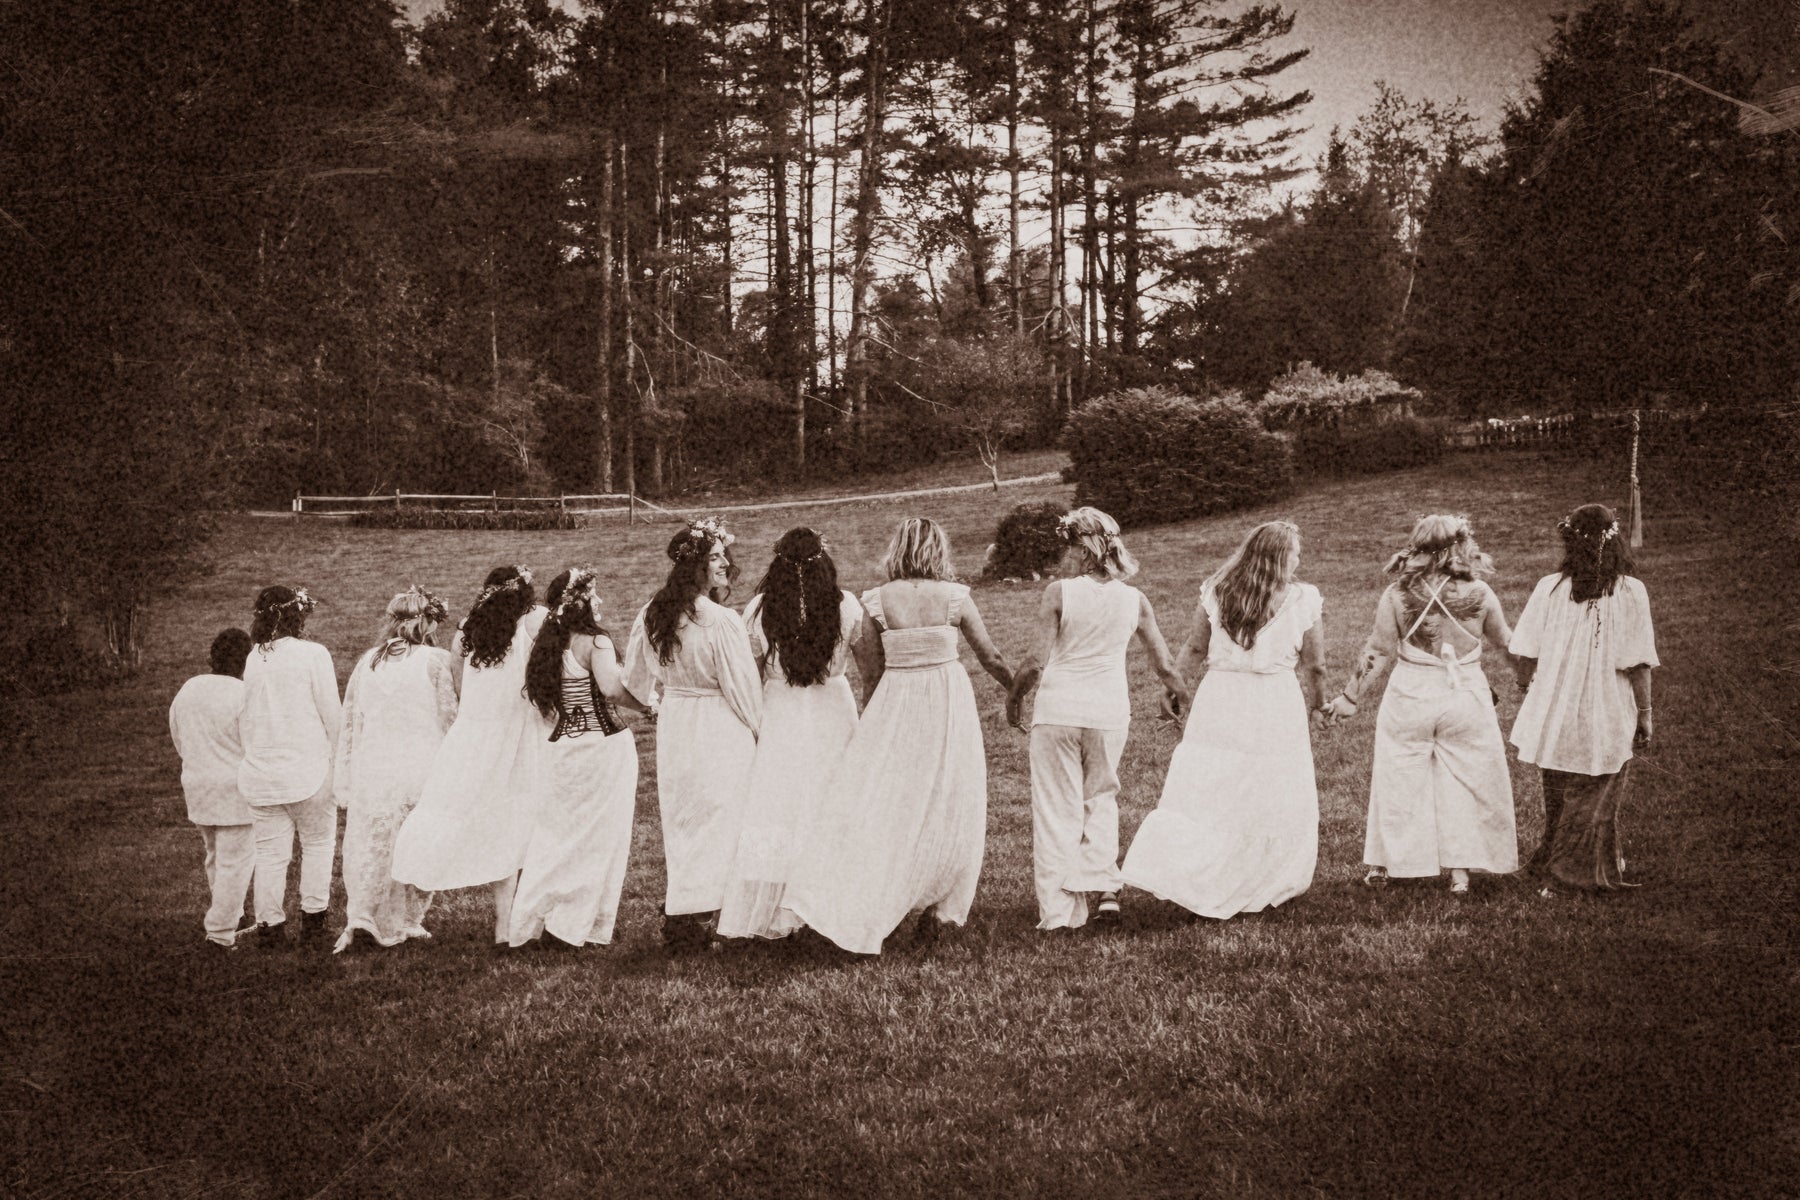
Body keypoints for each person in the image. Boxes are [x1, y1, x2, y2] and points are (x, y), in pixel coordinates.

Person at [779, 517, 1014, 955]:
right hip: (947, 698)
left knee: (893, 798)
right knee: (951, 793)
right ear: (938, 549)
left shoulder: (877, 600)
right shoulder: (956, 596)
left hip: (896, 698)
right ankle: (941, 910)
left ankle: (887, 894)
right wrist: (1016, 692)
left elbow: (872, 672)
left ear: (898, 550)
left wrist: (874, 721)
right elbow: (992, 657)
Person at [1120, 521, 1326, 919]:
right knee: (1271, 786)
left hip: (1221, 698)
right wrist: (1318, 705)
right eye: (1295, 553)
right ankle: (1263, 874)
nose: (1299, 561)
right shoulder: (1303, 599)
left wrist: (1172, 687)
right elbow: (1315, 666)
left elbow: (1195, 648)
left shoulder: (1217, 591)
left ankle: (1213, 871)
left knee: (1215, 785)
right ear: (1278, 557)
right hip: (1275, 701)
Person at [1007, 507, 1185, 930]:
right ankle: (1106, 892)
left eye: (1067, 548)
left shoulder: (1059, 593)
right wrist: (1181, 697)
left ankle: (1060, 914)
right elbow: (1165, 665)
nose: (1064, 557)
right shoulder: (1134, 599)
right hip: (1107, 713)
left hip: (1058, 712)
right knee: (1101, 798)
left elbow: (1034, 663)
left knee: (1056, 809)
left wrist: (1014, 699)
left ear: (1082, 550)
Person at [1323, 515, 1518, 894]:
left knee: (1399, 776)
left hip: (1411, 694)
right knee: (1467, 779)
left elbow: (1378, 649)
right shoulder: (1480, 592)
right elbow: (1506, 643)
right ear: (1461, 545)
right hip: (1465, 695)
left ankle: (1383, 865)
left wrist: (1349, 697)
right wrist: (1527, 679)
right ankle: (1460, 873)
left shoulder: (1397, 594)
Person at [717, 528, 868, 941]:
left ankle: (784, 904)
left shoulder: (758, 608)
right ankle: (829, 903)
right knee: (830, 801)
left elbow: (748, 676)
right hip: (833, 709)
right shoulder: (846, 605)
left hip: (780, 710)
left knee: (780, 806)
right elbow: (872, 671)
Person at [623, 520, 763, 952]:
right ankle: (706, 917)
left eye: (724, 556)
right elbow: (742, 686)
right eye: (715, 557)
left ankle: (687, 915)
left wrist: (655, 705)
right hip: (720, 723)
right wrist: (760, 731)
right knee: (723, 819)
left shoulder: (651, 613)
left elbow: (633, 682)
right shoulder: (721, 619)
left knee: (685, 820)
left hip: (678, 724)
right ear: (695, 566)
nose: (724, 564)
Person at [392, 566, 550, 944]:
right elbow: (547, 676)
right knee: (528, 825)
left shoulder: (466, 630)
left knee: (498, 826)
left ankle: (507, 925)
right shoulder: (535, 621)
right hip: (522, 732)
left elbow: (462, 689)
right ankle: (519, 924)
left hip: (474, 738)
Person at [1508, 503, 1658, 894]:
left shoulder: (1550, 587)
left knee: (1561, 793)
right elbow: (1638, 662)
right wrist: (1645, 712)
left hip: (1555, 707)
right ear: (1615, 539)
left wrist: (1527, 687)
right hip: (1605, 706)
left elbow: (1524, 652)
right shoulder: (1630, 591)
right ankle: (1565, 877)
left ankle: (1565, 864)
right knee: (1593, 793)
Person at [510, 567, 646, 948]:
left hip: (562, 748)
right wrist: (647, 705)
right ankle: (573, 923)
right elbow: (612, 691)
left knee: (557, 834)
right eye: (593, 594)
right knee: (599, 837)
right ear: (580, 601)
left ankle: (540, 919)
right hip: (603, 747)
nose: (599, 600)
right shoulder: (595, 643)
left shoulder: (549, 644)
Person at [332, 586, 456, 953]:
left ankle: (365, 916)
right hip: (421, 766)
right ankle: (405, 919)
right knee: (418, 844)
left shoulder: (369, 661)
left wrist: (348, 771)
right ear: (429, 622)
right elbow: (450, 716)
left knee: (372, 846)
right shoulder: (436, 660)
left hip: (374, 767)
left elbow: (351, 719)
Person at [238, 586, 341, 947]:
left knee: (269, 854)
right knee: (318, 844)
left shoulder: (252, 658)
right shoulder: (313, 654)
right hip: (309, 770)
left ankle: (270, 929)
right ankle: (314, 925)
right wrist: (340, 760)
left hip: (260, 772)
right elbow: (332, 714)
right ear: (297, 615)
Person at [168, 627, 257, 951]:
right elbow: (254, 744)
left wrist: (196, 762)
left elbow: (177, 734)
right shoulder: (244, 694)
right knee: (235, 862)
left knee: (215, 856)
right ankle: (220, 934)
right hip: (235, 789)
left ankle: (234, 915)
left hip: (197, 784)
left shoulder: (190, 687)